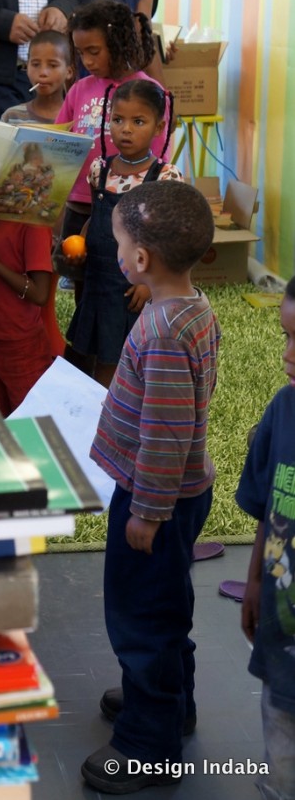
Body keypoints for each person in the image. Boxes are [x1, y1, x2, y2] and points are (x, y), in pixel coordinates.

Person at [81, 179, 220, 794]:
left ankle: (148, 742)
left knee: (141, 619)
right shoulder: (191, 308)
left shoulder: (161, 333)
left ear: (141, 260)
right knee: (165, 606)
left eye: (117, 243)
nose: (114, 253)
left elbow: (165, 431)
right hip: (174, 495)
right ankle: (173, 702)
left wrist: (146, 512)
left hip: (154, 499)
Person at [64, 78, 182, 387]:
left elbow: (169, 239)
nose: (125, 129)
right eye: (118, 120)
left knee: (120, 363)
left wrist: (150, 284)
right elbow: (96, 218)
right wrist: (81, 248)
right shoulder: (99, 169)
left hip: (133, 289)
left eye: (138, 121)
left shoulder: (164, 177)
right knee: (89, 354)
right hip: (97, 280)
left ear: (159, 127)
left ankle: (116, 417)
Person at [53, 0, 164, 308]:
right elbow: (59, 137)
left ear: (117, 43)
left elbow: (155, 160)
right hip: (80, 202)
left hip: (126, 207)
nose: (86, 60)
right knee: (81, 281)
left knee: (122, 283)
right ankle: (85, 340)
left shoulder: (147, 91)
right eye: (80, 52)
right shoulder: (79, 89)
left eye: (94, 51)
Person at [236, 276, 295, 800]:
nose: (289, 355)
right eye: (286, 337)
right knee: (280, 729)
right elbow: (265, 508)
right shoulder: (282, 409)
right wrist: (253, 582)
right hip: (282, 624)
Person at [0, 215, 54, 416]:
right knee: (1, 420)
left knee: (29, 419)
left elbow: (40, 294)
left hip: (20, 345)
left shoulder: (33, 225)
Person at [1, 29, 75, 125]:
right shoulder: (12, 116)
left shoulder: (77, 117)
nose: (43, 72)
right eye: (36, 65)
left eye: (53, 65)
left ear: (69, 71)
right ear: (27, 66)